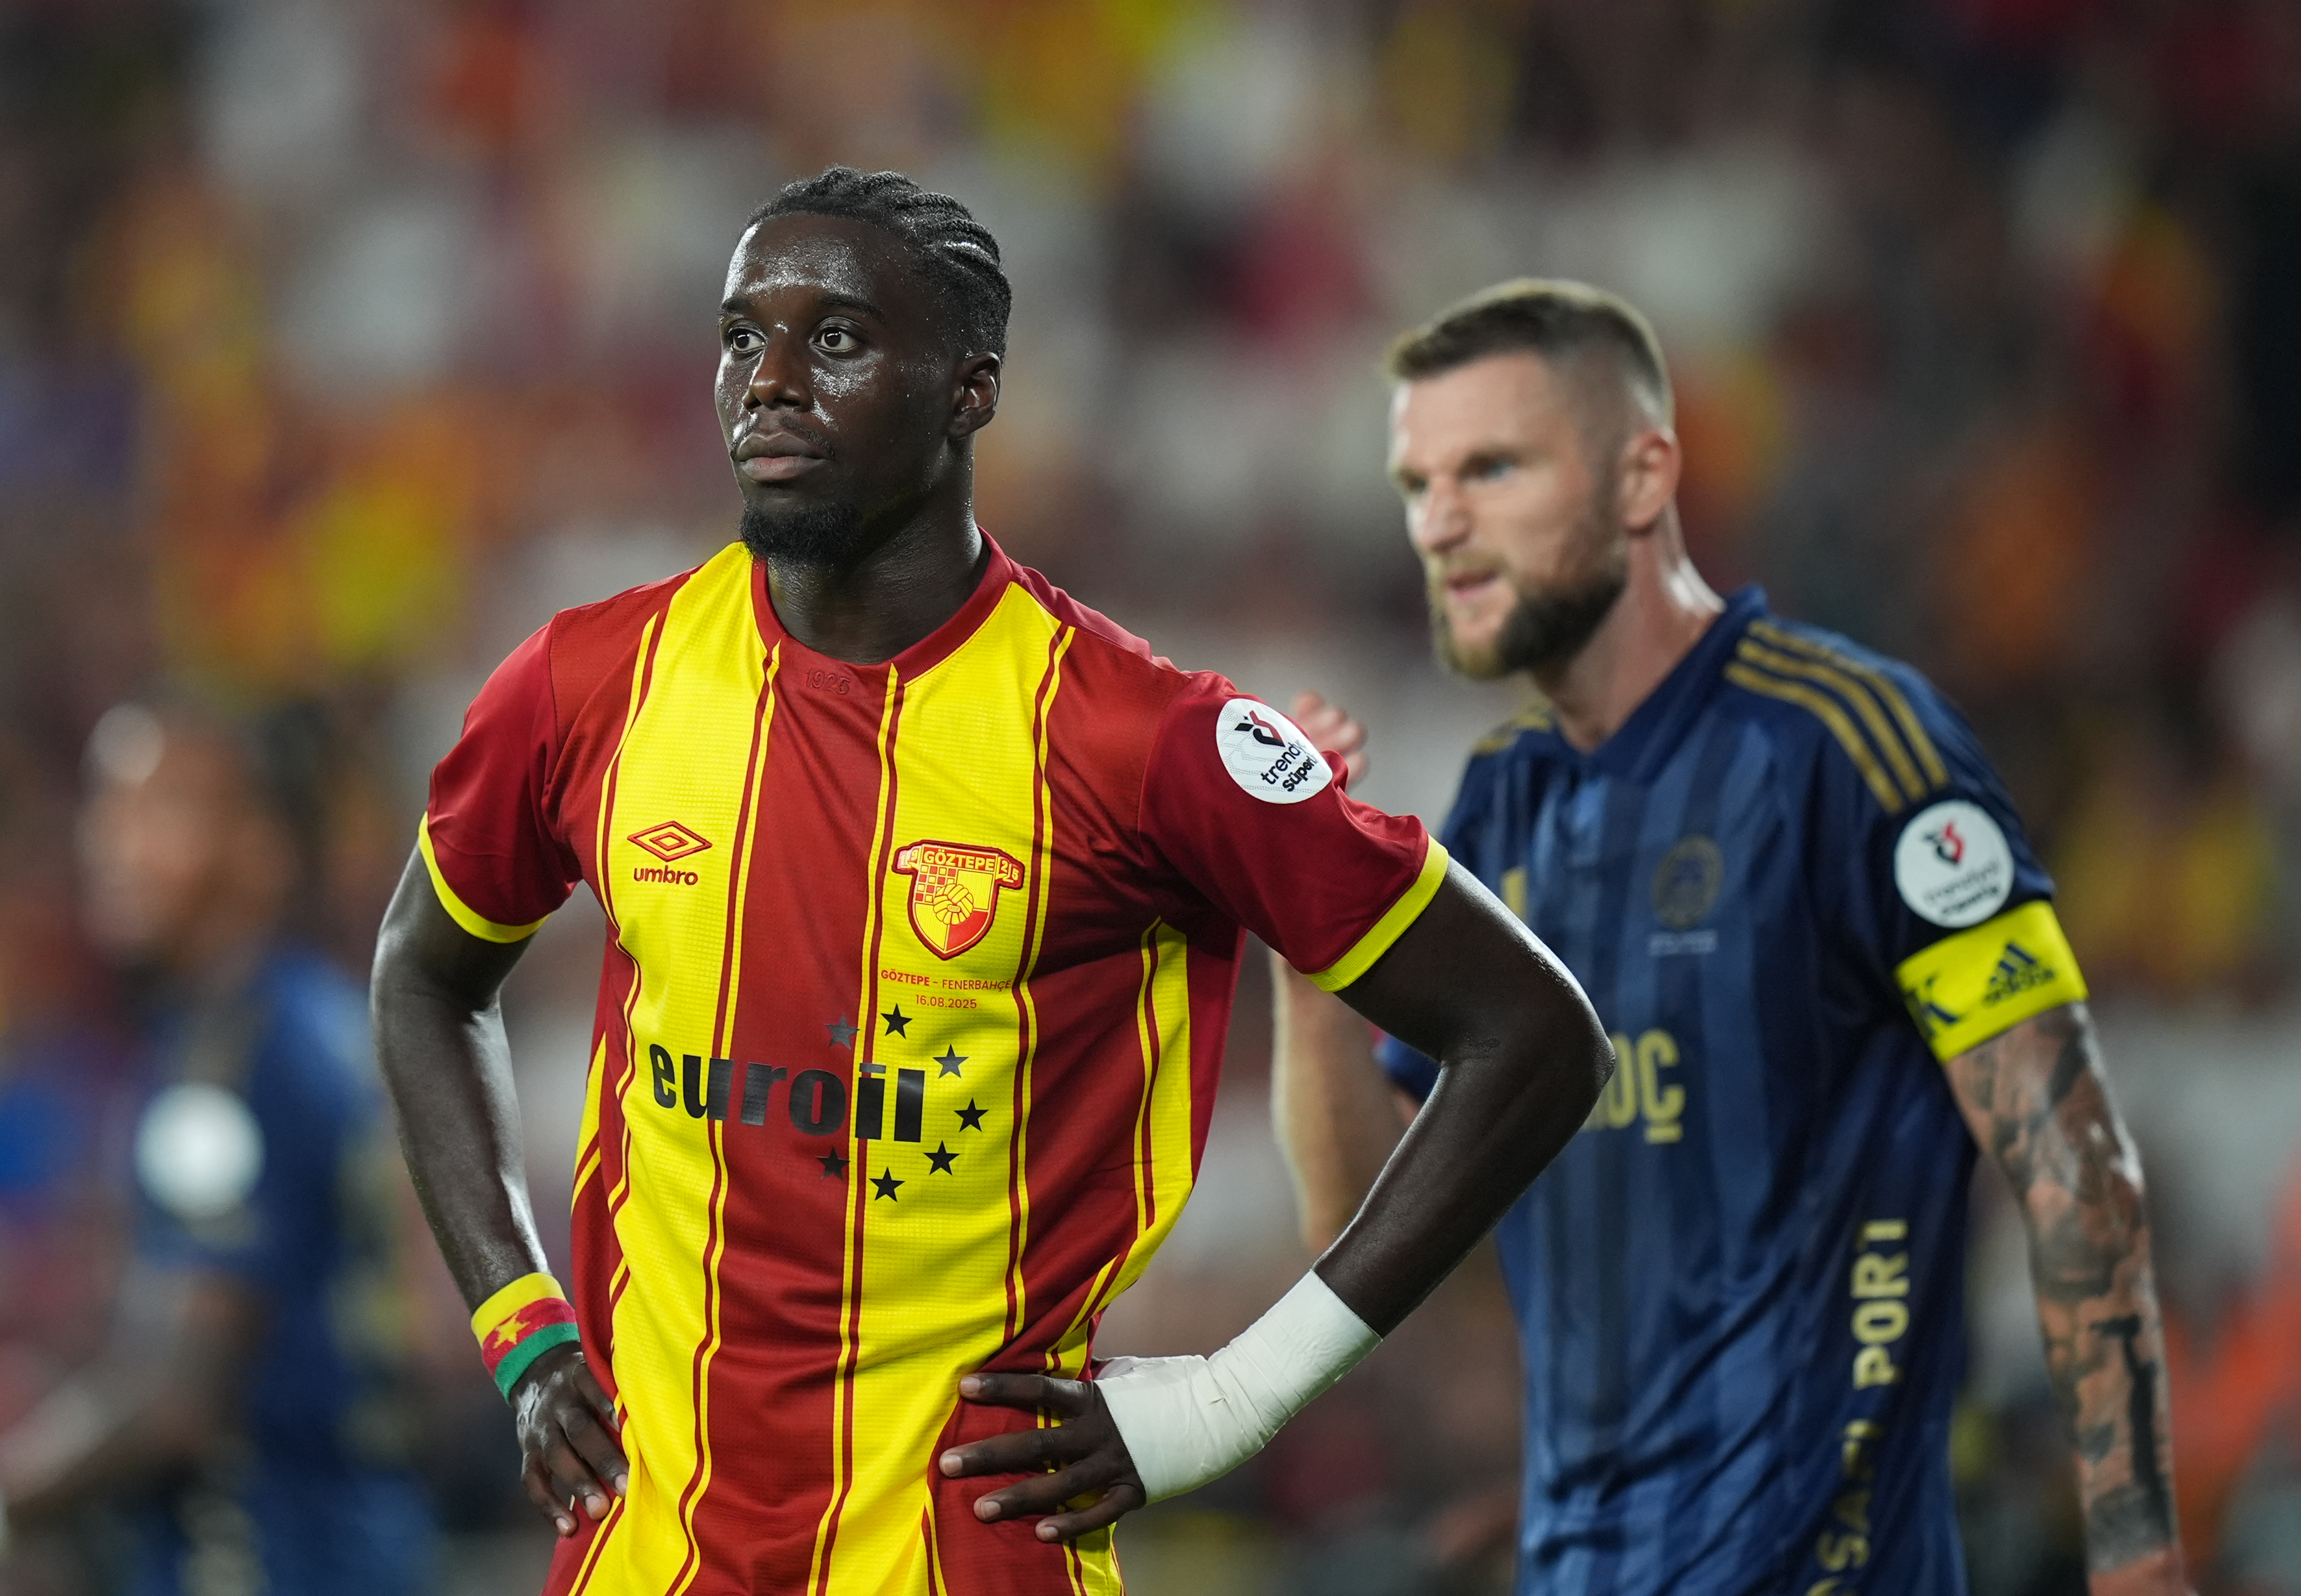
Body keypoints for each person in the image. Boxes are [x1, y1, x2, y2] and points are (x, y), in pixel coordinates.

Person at [370, 167, 1611, 1595]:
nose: (768, 380)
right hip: (642, 1552)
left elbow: (1534, 1034)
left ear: (969, 389)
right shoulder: (591, 683)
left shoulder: (1139, 740)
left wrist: (1230, 1399)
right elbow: (423, 973)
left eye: (837, 339)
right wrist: (522, 1328)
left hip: (965, 1555)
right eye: (741, 336)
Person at [1271, 279, 2194, 1596]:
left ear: (1643, 477)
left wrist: (2135, 1551)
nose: (1440, 523)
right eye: (1417, 483)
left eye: (1492, 468)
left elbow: (2069, 1155)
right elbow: (1380, 1239)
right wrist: (1310, 947)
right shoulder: (1497, 805)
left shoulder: (1851, 750)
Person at [0, 699, 431, 1595]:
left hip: (262, 1559)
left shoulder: (234, 1060)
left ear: (264, 849)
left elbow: (178, 1397)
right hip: (359, 1543)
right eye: (107, 807)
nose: (113, 844)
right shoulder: (314, 1016)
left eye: (163, 811)